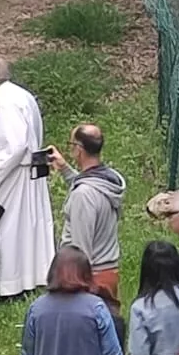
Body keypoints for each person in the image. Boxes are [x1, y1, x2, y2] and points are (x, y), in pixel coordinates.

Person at [0, 54, 53, 301]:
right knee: (29, 226)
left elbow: (16, 144)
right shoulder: (20, 95)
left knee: (9, 228)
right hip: (28, 169)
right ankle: (31, 277)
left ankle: (12, 285)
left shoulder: (4, 102)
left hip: (14, 174)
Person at [50, 124, 126, 309]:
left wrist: (76, 287)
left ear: (79, 149)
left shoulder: (83, 195)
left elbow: (80, 250)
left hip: (91, 281)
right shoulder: (108, 181)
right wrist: (64, 169)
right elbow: (88, 185)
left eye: (71, 144)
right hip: (108, 275)